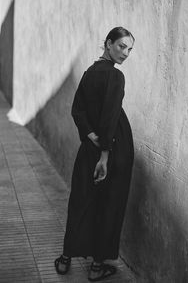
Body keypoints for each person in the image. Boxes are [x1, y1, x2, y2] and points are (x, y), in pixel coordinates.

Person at [54, 26, 135, 282]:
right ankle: (97, 266)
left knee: (81, 199)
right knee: (108, 205)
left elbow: (77, 111)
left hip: (93, 147)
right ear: (108, 43)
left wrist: (90, 137)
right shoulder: (115, 77)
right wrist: (104, 155)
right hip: (113, 150)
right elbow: (110, 119)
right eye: (122, 46)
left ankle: (66, 257)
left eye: (130, 49)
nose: (126, 53)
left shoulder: (90, 72)